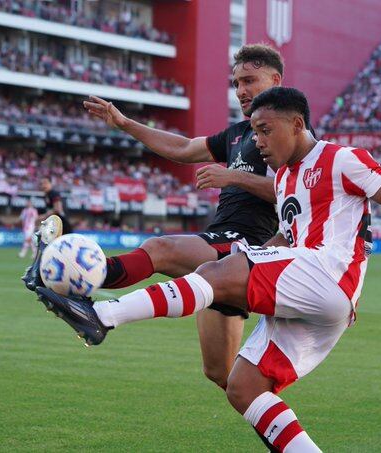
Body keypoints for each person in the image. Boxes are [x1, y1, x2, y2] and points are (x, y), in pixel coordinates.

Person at [35, 87, 381, 452]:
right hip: (316, 292)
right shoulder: (282, 180)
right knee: (243, 387)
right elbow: (285, 238)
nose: (257, 140)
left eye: (265, 130)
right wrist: (257, 259)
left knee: (215, 271)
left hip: (330, 272)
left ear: (297, 125)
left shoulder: (344, 158)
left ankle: (102, 316)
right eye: (255, 130)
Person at [81, 44, 296, 389]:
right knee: (222, 375)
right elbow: (182, 148)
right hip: (221, 244)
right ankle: (283, 431)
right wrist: (124, 123)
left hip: (250, 247)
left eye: (249, 80)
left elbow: (300, 195)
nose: (240, 90)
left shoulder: (290, 133)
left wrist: (235, 176)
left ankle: (83, 278)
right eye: (236, 82)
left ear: (275, 80)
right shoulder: (238, 134)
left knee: (161, 248)